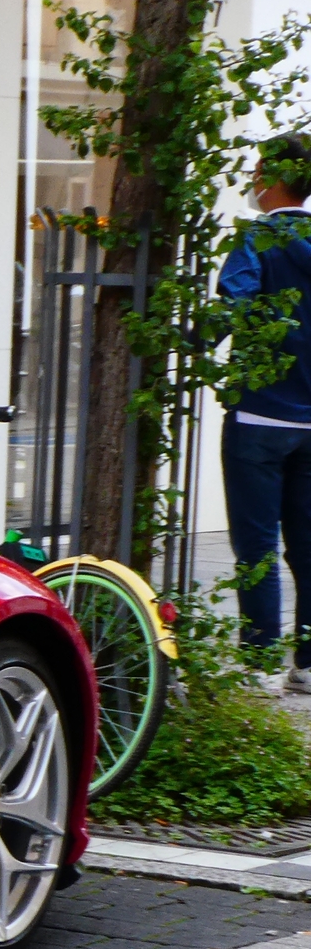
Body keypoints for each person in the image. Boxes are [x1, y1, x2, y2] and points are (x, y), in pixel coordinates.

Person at [216, 135, 311, 688]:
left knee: (257, 548)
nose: (252, 181)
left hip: (259, 418)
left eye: (256, 172)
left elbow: (237, 308)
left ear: (274, 179)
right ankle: (307, 663)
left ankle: (258, 665)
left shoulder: (256, 240)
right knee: (307, 544)